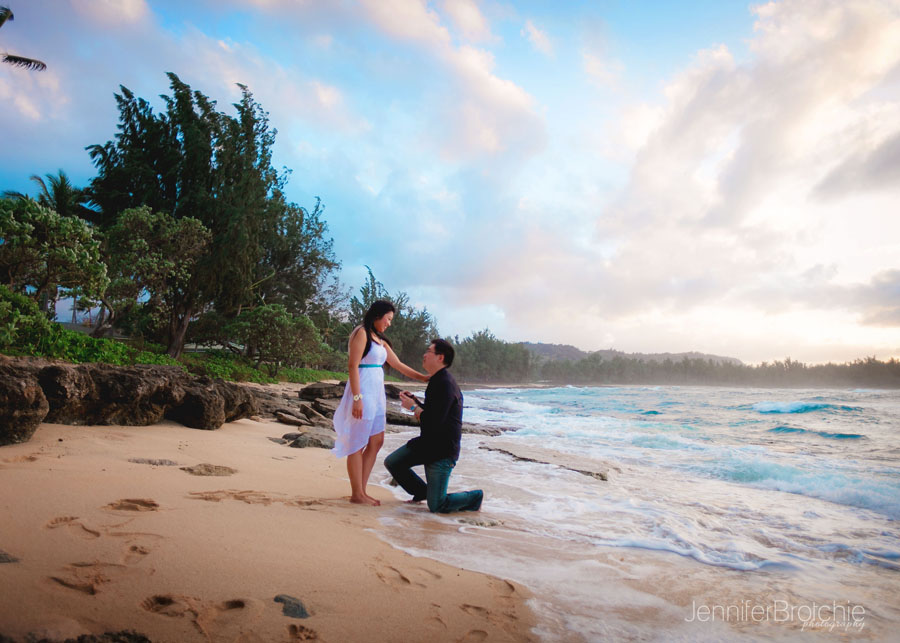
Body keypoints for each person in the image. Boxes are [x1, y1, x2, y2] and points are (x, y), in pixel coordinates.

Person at [332, 300, 429, 506]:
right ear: (378, 315)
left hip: (377, 395)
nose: (389, 323)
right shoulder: (362, 333)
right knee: (357, 443)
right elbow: (352, 366)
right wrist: (357, 398)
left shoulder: (380, 340)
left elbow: (398, 365)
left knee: (377, 441)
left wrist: (424, 378)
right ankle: (357, 494)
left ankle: (362, 490)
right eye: (388, 319)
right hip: (363, 392)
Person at [384, 338, 483, 513]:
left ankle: (475, 497)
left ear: (440, 357)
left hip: (442, 451)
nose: (424, 354)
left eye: (428, 351)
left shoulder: (445, 383)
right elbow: (434, 412)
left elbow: (433, 421)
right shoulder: (437, 380)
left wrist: (413, 407)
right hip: (428, 444)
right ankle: (422, 492)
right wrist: (415, 401)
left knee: (437, 506)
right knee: (393, 462)